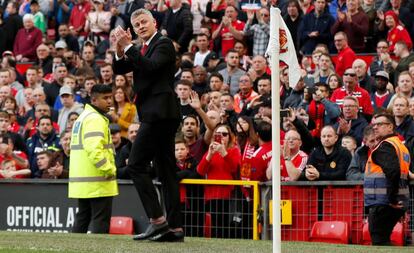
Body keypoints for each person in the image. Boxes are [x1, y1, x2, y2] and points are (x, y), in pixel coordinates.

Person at [112, 9, 183, 242]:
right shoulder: (142, 48)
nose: (141, 26)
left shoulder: (163, 44)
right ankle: (174, 228)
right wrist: (119, 48)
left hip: (159, 113)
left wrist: (129, 47)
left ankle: (157, 221)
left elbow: (150, 67)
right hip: (157, 113)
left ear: (155, 22)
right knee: (166, 170)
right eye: (137, 24)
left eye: (144, 22)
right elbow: (121, 69)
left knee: (135, 164)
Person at [68, 84, 118, 234]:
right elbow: (94, 150)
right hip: (98, 180)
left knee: (82, 218)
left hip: (84, 181)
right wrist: (109, 169)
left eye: (110, 97)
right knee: (100, 221)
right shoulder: (95, 119)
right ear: (94, 100)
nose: (109, 101)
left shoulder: (84, 116)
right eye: (105, 98)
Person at [365, 113, 410, 245]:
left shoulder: (385, 146)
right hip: (397, 200)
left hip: (384, 202)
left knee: (378, 240)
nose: (375, 127)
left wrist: (391, 199)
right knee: (383, 239)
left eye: (380, 124)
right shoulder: (401, 146)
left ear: (390, 127)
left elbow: (393, 171)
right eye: (374, 125)